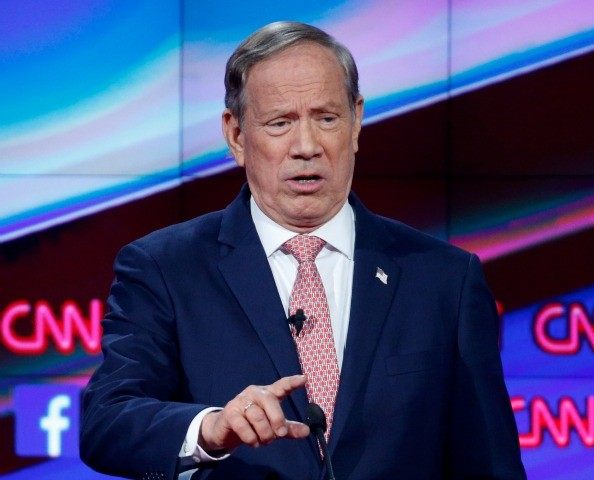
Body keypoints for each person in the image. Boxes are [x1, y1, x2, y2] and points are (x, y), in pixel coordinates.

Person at [80, 21, 526, 480]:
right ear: (236, 135)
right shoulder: (166, 268)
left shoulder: (445, 279)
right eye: (280, 123)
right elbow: (107, 420)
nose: (307, 147)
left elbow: (490, 464)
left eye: (327, 118)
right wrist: (210, 429)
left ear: (356, 122)